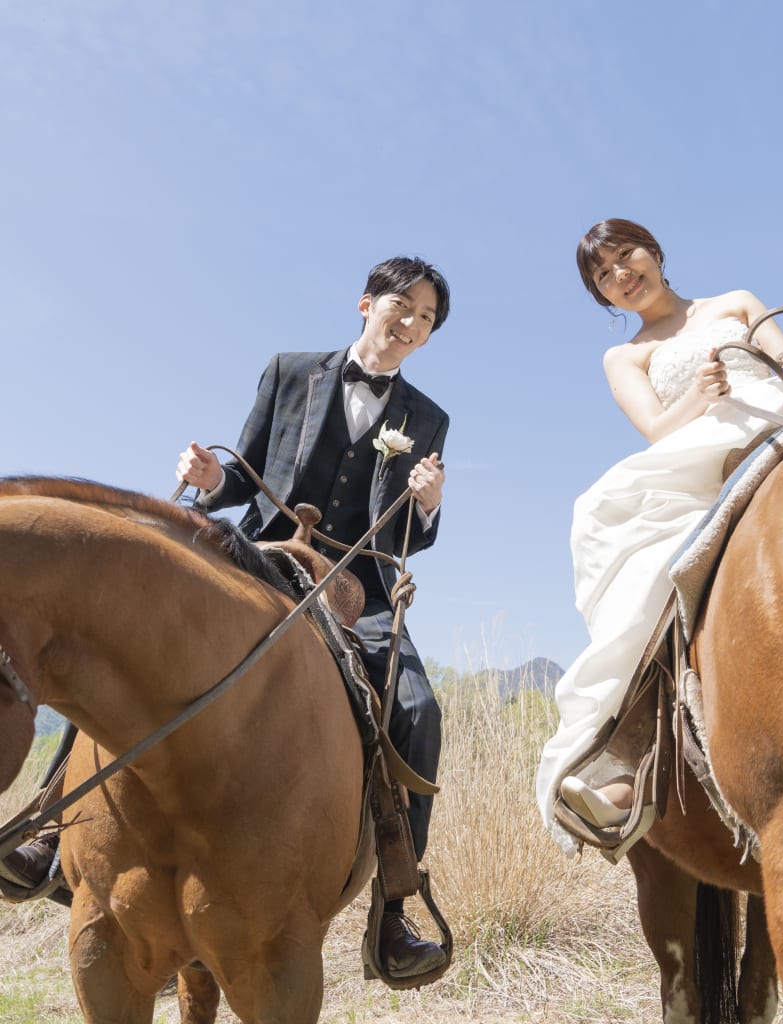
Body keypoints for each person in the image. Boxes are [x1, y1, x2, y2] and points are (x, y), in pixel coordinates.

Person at [3, 256, 451, 979]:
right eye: (403, 306)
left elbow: (409, 534)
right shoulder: (290, 370)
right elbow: (240, 470)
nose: (412, 324)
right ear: (366, 303)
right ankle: (54, 836)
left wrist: (427, 500)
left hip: (353, 586)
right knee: (129, 643)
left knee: (419, 708)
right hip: (257, 553)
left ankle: (395, 908)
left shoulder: (429, 417)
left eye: (427, 319)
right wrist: (212, 479)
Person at [535, 219, 783, 853]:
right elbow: (657, 430)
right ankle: (627, 759)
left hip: (779, 416)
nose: (619, 274)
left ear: (655, 252)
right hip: (696, 457)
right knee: (650, 580)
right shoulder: (626, 355)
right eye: (602, 274)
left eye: (625, 255)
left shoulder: (737, 303)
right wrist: (697, 394)